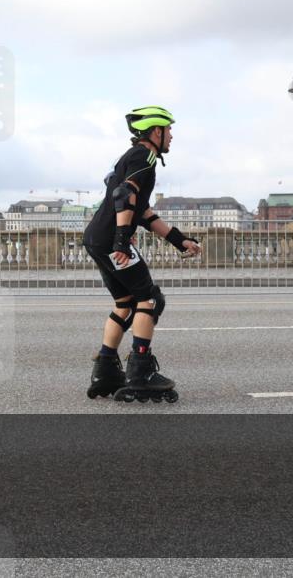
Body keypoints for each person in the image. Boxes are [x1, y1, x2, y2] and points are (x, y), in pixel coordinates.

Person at [82, 106, 201, 403]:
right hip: (111, 239)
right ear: (155, 132)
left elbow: (144, 212)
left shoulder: (131, 158)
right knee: (149, 299)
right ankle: (140, 372)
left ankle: (105, 369)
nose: (172, 136)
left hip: (97, 238)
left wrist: (179, 240)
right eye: (169, 130)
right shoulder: (143, 157)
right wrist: (122, 242)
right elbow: (124, 195)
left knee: (125, 302)